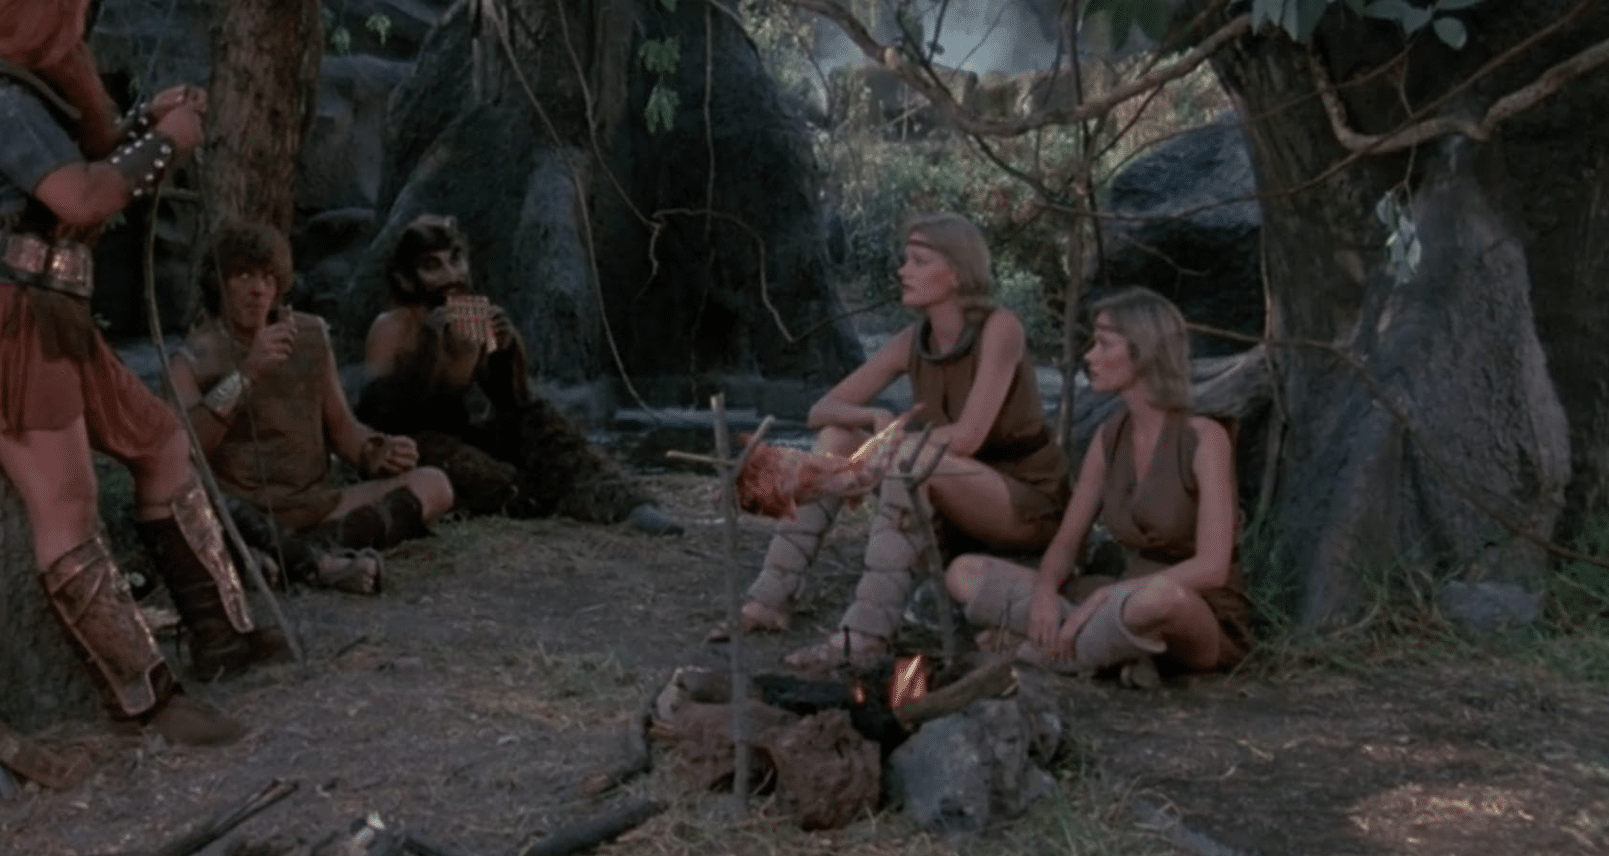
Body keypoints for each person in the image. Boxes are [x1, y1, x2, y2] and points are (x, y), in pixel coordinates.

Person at [0, 0, 269, 746]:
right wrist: (167, 141)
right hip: (5, 319)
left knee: (161, 441)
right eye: (70, 10)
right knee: (65, 503)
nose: (78, 27)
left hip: (49, 311)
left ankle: (222, 634)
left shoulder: (17, 91)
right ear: (38, 11)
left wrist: (142, 124)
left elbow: (70, 168)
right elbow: (79, 196)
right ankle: (147, 701)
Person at [758, 213, 1068, 668]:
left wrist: (884, 450)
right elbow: (820, 410)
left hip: (1021, 502)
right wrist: (873, 417)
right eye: (906, 260)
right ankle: (769, 599)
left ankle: (866, 635)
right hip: (943, 491)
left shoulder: (1001, 328)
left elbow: (968, 437)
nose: (903, 271)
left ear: (957, 272)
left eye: (919, 261)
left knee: (908, 455)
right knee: (838, 436)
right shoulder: (911, 340)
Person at [945, 286, 1249, 684]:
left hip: (1190, 608)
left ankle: (1042, 652)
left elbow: (1212, 569)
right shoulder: (1108, 437)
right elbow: (1067, 544)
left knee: (1157, 600)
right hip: (1113, 600)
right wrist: (1045, 594)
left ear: (1143, 351)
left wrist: (1109, 597)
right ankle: (1110, 651)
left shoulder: (1205, 438)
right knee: (964, 573)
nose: (1089, 356)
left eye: (1104, 344)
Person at [168, 223, 455, 594]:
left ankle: (295, 556)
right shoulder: (191, 359)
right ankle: (313, 562)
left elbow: (343, 428)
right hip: (243, 513)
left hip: (317, 508)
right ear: (218, 282)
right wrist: (247, 374)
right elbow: (185, 451)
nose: (258, 290)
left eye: (268, 277)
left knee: (435, 485)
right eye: (244, 276)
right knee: (190, 510)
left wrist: (376, 451)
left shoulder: (309, 336)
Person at [356, 214, 681, 535]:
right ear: (405, 279)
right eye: (433, 266)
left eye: (456, 260)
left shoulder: (471, 318)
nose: (451, 275)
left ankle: (622, 502)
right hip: (410, 448)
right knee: (490, 479)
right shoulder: (392, 327)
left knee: (540, 421)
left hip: (459, 435)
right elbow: (378, 417)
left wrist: (508, 348)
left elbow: (512, 402)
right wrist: (430, 348)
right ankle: (535, 498)